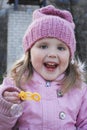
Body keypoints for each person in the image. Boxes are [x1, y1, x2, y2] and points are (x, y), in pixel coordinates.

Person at [0, 5, 87, 130]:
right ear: (29, 53)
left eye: (61, 48)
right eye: (43, 46)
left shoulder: (79, 89)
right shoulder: (14, 85)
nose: (52, 54)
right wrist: (5, 106)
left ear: (70, 56)